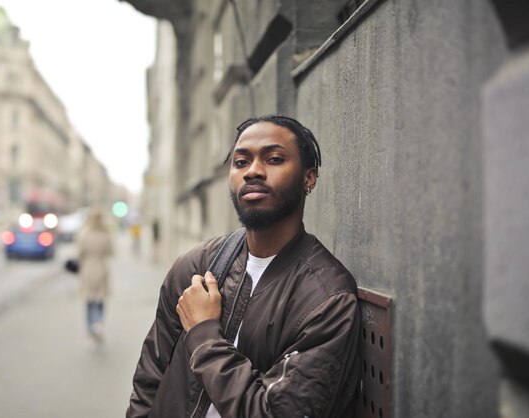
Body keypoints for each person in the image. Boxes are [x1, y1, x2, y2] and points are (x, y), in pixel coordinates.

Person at [127, 115, 360, 417]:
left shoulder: (326, 298)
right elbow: (149, 382)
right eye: (241, 162)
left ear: (309, 178)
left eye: (274, 159)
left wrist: (203, 333)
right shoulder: (197, 267)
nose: (253, 171)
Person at [76, 208, 113, 342]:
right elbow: (111, 251)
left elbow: (80, 251)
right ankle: (99, 322)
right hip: (101, 267)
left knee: (89, 299)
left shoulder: (85, 233)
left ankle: (90, 327)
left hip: (88, 267)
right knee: (100, 298)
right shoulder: (105, 233)